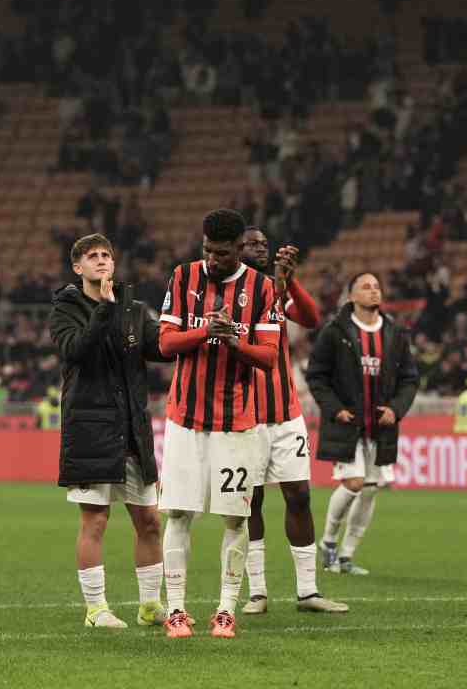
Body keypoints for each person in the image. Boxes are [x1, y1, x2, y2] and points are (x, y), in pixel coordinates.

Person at [156, 209, 280, 639]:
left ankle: (226, 610)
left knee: (234, 519)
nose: (212, 259)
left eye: (222, 253)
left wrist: (232, 340)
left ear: (239, 249)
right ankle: (176, 609)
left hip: (236, 423)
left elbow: (268, 356)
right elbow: (166, 342)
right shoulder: (183, 276)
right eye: (207, 250)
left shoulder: (262, 288)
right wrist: (206, 332)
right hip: (184, 421)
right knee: (178, 513)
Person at [48, 234, 172, 629]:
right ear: (77, 267)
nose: (101, 261)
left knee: (149, 520)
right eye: (92, 256)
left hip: (132, 428)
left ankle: (150, 605)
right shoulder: (64, 310)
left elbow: (161, 346)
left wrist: (197, 333)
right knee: (95, 520)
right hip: (90, 429)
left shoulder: (134, 309)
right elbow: (76, 350)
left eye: (106, 255)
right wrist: (103, 308)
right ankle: (96, 609)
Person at [239, 227, 348, 614]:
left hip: (286, 413)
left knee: (299, 495)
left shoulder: (275, 288)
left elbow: (311, 317)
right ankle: (257, 592)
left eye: (264, 244)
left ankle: (307, 591)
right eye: (252, 243)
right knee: (249, 503)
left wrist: (290, 282)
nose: (261, 248)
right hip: (244, 415)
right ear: (235, 248)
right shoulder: (227, 291)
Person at [308, 272, 419, 576]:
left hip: (380, 428)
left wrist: (396, 409)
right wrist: (334, 409)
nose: (373, 291)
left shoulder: (395, 333)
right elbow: (316, 376)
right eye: (366, 287)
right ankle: (329, 541)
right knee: (354, 483)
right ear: (351, 296)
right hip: (348, 424)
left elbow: (410, 378)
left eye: (377, 287)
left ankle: (346, 555)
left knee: (370, 489)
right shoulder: (335, 332)